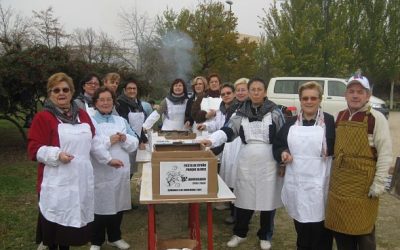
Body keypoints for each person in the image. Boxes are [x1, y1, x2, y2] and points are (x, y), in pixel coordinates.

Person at [27, 73, 120, 250]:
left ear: (71, 92)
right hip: (56, 181)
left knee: (68, 231)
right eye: (56, 90)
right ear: (50, 94)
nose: (61, 93)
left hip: (79, 181)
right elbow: (34, 149)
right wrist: (57, 155)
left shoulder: (83, 116)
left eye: (65, 89)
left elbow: (94, 142)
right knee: (55, 228)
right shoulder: (44, 118)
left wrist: (108, 159)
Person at [200, 78, 285, 250]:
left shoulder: (275, 113)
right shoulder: (240, 112)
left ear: (265, 92)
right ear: (248, 91)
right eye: (252, 89)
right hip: (246, 160)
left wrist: (282, 162)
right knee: (244, 198)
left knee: (267, 199)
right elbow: (228, 131)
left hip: (269, 161)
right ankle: (240, 233)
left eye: (259, 89)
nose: (255, 92)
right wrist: (211, 140)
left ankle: (265, 235)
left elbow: (282, 137)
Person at [325, 74, 392, 250]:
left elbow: (385, 154)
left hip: (364, 186)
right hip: (340, 184)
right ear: (346, 95)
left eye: (360, 92)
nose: (355, 95)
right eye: (351, 91)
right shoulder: (338, 116)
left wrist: (379, 184)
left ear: (367, 95)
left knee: (364, 233)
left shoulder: (376, 119)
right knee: (341, 232)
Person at [273, 81, 334, 250]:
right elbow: (278, 145)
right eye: (305, 98)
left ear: (320, 99)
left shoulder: (329, 121)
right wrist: (283, 153)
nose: (309, 101)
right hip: (298, 183)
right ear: (300, 100)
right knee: (301, 226)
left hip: (319, 183)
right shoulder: (291, 123)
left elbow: (336, 148)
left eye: (313, 98)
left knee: (320, 229)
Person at [89, 87, 139, 250]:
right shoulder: (89, 120)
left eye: (108, 99)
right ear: (95, 102)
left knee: (118, 204)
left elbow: (134, 144)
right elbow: (89, 144)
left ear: (113, 102)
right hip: (99, 170)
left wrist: (124, 138)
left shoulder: (121, 121)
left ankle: (115, 237)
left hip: (119, 171)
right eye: (101, 100)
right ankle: (96, 241)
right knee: (99, 205)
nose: (105, 103)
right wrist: (109, 141)